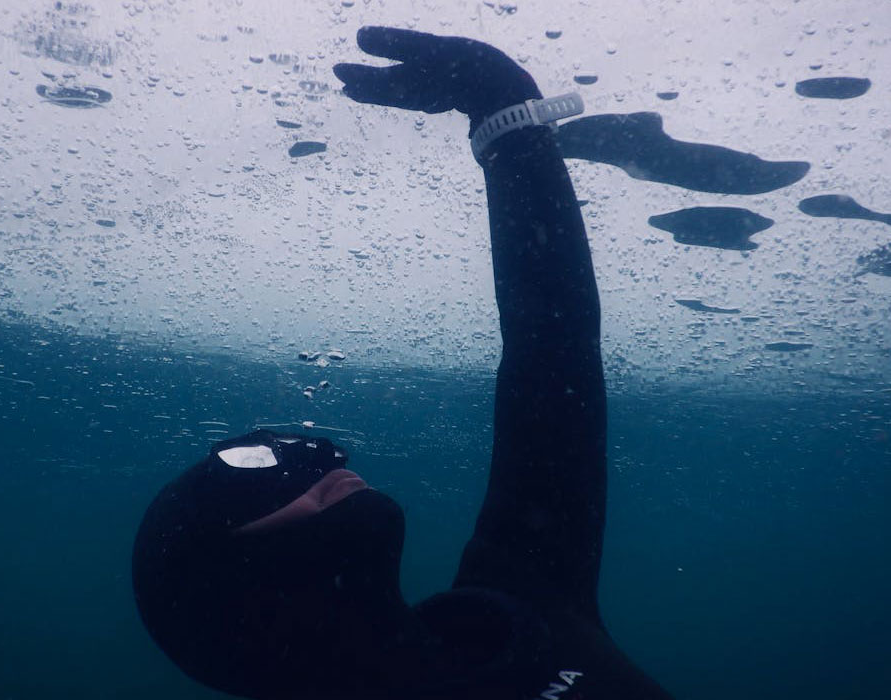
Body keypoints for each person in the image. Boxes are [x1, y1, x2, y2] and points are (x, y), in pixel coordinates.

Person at [132, 26, 674, 700]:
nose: (330, 460)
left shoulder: (519, 602)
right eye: (255, 477)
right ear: (218, 586)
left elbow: (551, 351)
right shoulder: (528, 597)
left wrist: (505, 115)